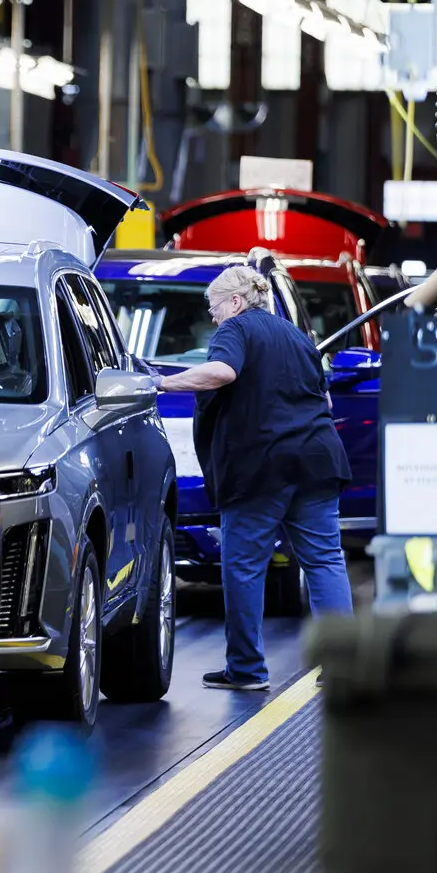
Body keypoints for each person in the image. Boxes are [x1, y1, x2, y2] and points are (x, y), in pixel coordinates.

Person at [157, 264, 353, 690]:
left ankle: (246, 670)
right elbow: (327, 401)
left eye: (214, 308)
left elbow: (223, 372)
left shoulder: (236, 329)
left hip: (261, 468)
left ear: (236, 301)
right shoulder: (298, 337)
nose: (212, 318)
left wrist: (161, 383)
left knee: (244, 568)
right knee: (324, 561)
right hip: (317, 462)